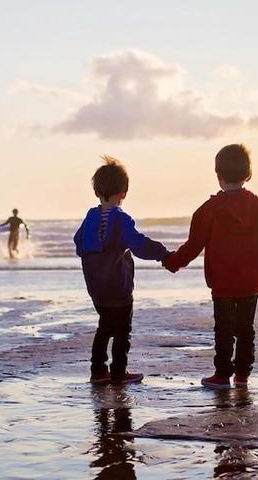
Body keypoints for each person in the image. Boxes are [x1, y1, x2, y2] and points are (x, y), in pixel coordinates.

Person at [164, 144, 258, 390]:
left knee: (224, 328)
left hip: (223, 281)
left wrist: (172, 262)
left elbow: (194, 245)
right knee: (245, 328)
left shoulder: (209, 210)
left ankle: (222, 375)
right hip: (250, 281)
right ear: (248, 174)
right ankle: (243, 375)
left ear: (218, 175)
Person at [74, 156, 170, 385]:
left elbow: (79, 243)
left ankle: (98, 371)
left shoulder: (90, 219)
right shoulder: (121, 220)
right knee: (122, 331)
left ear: (97, 191)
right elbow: (138, 244)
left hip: (97, 289)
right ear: (124, 192)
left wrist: (96, 258)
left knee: (104, 328)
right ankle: (118, 372)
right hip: (119, 288)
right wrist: (164, 254)